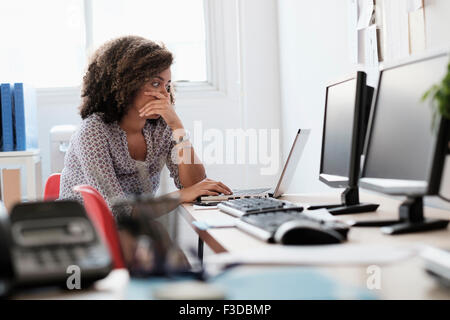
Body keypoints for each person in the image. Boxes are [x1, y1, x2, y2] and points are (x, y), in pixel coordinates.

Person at [59, 35, 232, 215]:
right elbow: (120, 212)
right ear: (125, 85)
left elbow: (195, 186)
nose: (164, 95)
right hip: (82, 233)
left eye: (167, 85)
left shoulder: (161, 128)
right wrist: (180, 195)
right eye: (155, 83)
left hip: (130, 231)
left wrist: (177, 128)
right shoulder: (93, 132)